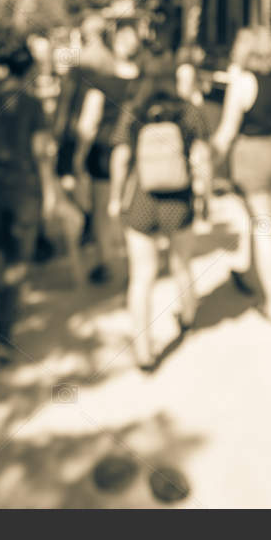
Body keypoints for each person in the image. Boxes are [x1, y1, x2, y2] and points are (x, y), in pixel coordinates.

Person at [107, 63, 211, 372]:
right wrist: (205, 198)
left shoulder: (133, 111)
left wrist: (114, 198)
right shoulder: (189, 112)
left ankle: (144, 351)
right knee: (181, 263)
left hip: (142, 200)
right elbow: (202, 159)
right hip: (178, 201)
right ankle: (188, 317)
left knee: (142, 276)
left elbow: (120, 157)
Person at [0, 46, 57, 363]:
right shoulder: (33, 104)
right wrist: (50, 191)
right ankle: (3, 327)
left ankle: (3, 303)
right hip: (25, 187)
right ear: (28, 71)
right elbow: (41, 151)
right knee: (19, 259)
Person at [211, 25, 271, 324]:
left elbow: (227, 131)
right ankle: (246, 271)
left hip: (254, 158)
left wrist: (208, 160)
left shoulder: (244, 82)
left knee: (264, 229)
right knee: (259, 221)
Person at [58, 18, 142, 285]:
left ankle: (108, 263)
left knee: (104, 213)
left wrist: (78, 159)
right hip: (135, 152)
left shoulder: (100, 80)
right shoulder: (142, 81)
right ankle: (132, 263)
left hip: (104, 152)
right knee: (128, 209)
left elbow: (88, 124)